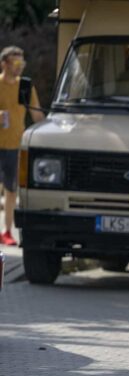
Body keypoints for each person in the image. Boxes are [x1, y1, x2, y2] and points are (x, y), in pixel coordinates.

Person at [0, 46, 45, 245]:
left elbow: (36, 115)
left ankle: (6, 232)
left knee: (11, 190)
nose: (20, 67)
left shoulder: (25, 87)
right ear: (4, 64)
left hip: (15, 146)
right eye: (16, 63)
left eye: (22, 63)